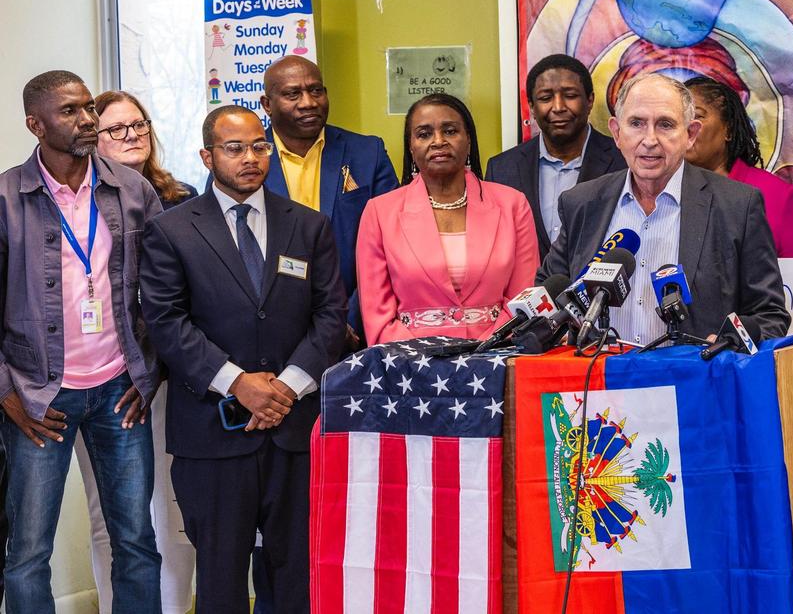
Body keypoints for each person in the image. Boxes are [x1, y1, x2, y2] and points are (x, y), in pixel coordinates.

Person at [139, 105, 346, 614]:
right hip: (212, 433)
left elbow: (330, 314)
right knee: (221, 576)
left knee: (294, 572)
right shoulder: (172, 231)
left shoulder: (309, 226)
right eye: (234, 148)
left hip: (294, 428)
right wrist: (237, 383)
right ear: (207, 155)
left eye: (259, 145)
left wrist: (287, 387)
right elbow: (166, 322)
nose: (250, 157)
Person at [1, 70, 163, 613]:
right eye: (70, 111)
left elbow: (165, 294)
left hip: (119, 389)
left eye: (89, 107)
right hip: (38, 397)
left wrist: (150, 370)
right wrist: (6, 393)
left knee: (137, 542)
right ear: (35, 124)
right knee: (27, 552)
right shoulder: (5, 197)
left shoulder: (131, 187)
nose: (88, 120)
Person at [538, 72, 790, 345]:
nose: (650, 139)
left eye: (665, 125)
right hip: (598, 380)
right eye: (636, 123)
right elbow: (547, 293)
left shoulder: (737, 205)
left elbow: (770, 314)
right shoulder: (581, 203)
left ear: (690, 134)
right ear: (616, 132)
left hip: (693, 379)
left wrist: (729, 343)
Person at [68, 90, 198, 614]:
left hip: (168, 375)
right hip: (105, 376)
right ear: (92, 139)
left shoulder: (183, 197)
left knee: (173, 508)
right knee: (113, 514)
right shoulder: (73, 204)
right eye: (116, 129)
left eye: (138, 124)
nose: (132, 135)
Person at [356, 93, 540, 344]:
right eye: (424, 134)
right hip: (409, 368)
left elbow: (523, 298)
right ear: (411, 146)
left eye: (450, 131)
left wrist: (484, 352)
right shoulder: (379, 212)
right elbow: (378, 315)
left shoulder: (513, 205)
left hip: (496, 358)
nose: (438, 141)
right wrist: (423, 362)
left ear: (468, 141)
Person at [260, 55, 398, 341]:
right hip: (270, 334)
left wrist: (347, 320)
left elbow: (394, 245)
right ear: (267, 105)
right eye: (292, 94)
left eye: (316, 90)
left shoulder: (367, 153)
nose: (309, 102)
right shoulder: (246, 161)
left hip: (355, 328)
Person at [682, 75, 793, 338]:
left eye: (698, 117)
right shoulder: (664, 193)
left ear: (727, 129)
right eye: (677, 120)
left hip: (758, 352)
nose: (686, 128)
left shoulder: (775, 194)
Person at [485, 54, 625, 258]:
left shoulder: (623, 161)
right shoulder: (503, 170)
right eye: (545, 98)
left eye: (569, 95)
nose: (558, 107)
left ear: (590, 100)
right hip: (527, 288)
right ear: (532, 107)